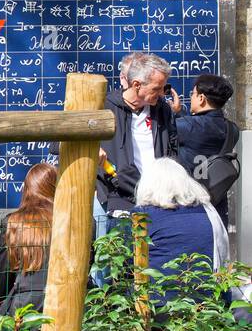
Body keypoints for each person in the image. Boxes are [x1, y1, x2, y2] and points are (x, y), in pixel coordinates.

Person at [133, 158, 230, 307]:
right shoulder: (208, 212)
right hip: (207, 304)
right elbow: (223, 261)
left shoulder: (142, 216)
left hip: (156, 307)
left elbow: (124, 262)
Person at [97, 53, 176, 215]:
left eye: (163, 88)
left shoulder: (163, 110)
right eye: (157, 88)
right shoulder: (103, 107)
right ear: (136, 84)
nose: (162, 93)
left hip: (158, 199)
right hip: (117, 199)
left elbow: (173, 148)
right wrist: (92, 149)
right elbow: (58, 143)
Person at [0, 162, 56, 317]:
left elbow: (0, 290)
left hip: (24, 309)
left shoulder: (12, 222)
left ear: (26, 190)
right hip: (69, 304)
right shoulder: (78, 221)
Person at [172, 73, 238, 225]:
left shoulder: (186, 126)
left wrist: (175, 113)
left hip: (189, 204)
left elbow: (184, 129)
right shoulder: (232, 129)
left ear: (201, 98)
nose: (192, 98)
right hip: (217, 205)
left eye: (193, 94)